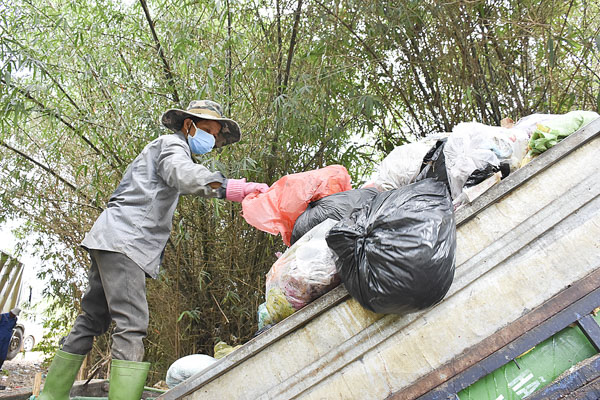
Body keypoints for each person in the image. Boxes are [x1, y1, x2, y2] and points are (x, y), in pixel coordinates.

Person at [38, 100, 269, 400]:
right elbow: (183, 175)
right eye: (208, 132)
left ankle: (50, 395)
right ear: (189, 126)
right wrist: (234, 188)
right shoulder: (172, 147)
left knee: (92, 319)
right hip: (125, 243)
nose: (211, 141)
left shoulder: (165, 149)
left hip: (109, 239)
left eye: (215, 137)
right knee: (131, 325)